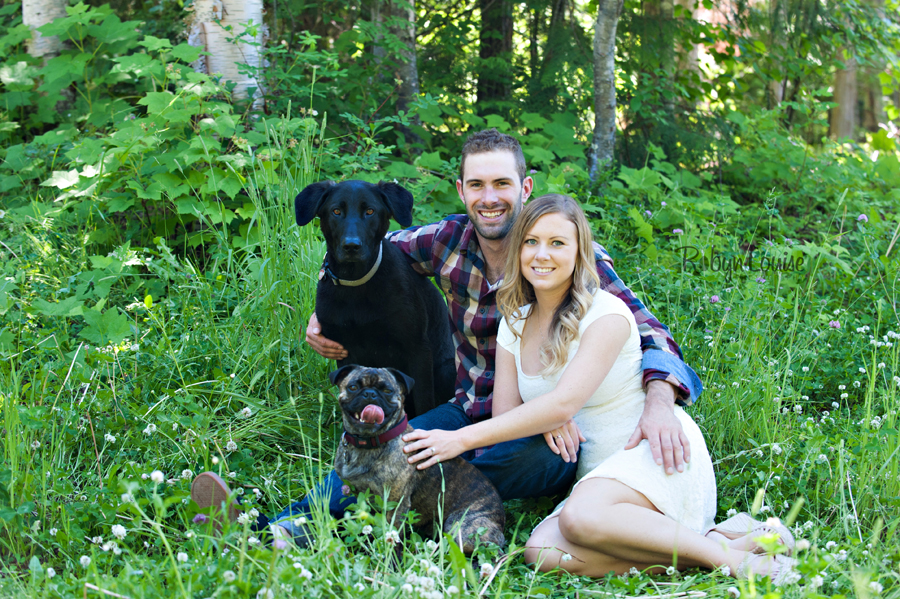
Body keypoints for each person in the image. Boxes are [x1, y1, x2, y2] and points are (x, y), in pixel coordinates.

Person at [194, 129, 701, 542]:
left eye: (502, 184)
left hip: (547, 430)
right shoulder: (445, 241)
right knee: (386, 445)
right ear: (461, 191)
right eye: (476, 185)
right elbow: (360, 240)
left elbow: (651, 332)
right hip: (472, 406)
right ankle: (263, 530)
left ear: (524, 189)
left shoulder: (566, 255)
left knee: (445, 461)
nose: (490, 198)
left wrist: (660, 401)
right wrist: (323, 305)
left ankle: (346, 524)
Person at [400, 194, 796, 581]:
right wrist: (542, 419)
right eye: (532, 242)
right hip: (597, 473)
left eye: (558, 243)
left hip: (650, 451)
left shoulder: (607, 313)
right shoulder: (514, 322)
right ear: (518, 250)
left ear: (579, 252)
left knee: (579, 517)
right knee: (543, 551)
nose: (542, 254)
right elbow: (507, 415)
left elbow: (564, 402)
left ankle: (733, 562)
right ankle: (715, 543)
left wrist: (461, 440)